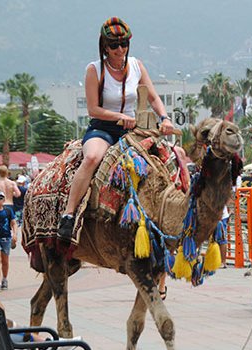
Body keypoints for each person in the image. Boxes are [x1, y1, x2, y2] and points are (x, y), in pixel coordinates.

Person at [58, 16, 174, 241]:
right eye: (114, 46)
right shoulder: (94, 70)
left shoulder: (137, 66)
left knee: (170, 157)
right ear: (105, 47)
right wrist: (119, 116)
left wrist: (165, 118)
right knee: (91, 157)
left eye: (124, 44)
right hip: (103, 128)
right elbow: (93, 109)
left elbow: (153, 97)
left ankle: (170, 214)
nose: (120, 49)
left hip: (133, 131)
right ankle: (69, 214)